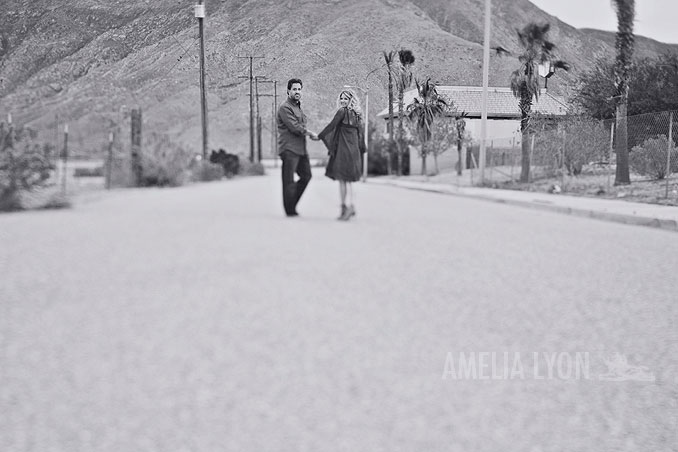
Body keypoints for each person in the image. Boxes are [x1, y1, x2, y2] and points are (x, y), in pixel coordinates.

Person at [318, 89, 366, 221]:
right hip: (354, 151)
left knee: (343, 181)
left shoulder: (342, 111)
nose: (343, 101)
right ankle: (351, 206)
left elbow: (331, 126)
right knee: (350, 181)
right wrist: (361, 150)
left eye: (346, 98)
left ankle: (345, 207)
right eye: (341, 98)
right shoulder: (357, 115)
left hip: (344, 151)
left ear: (351, 100)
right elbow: (361, 135)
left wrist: (320, 136)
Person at [277, 78, 318, 217]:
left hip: (301, 149)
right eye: (294, 89)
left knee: (306, 176)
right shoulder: (285, 107)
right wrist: (310, 133)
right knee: (288, 181)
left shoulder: (298, 107)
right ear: (288, 91)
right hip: (289, 149)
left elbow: (300, 125)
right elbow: (294, 127)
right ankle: (290, 210)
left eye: (299, 89)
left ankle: (291, 203)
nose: (297, 91)